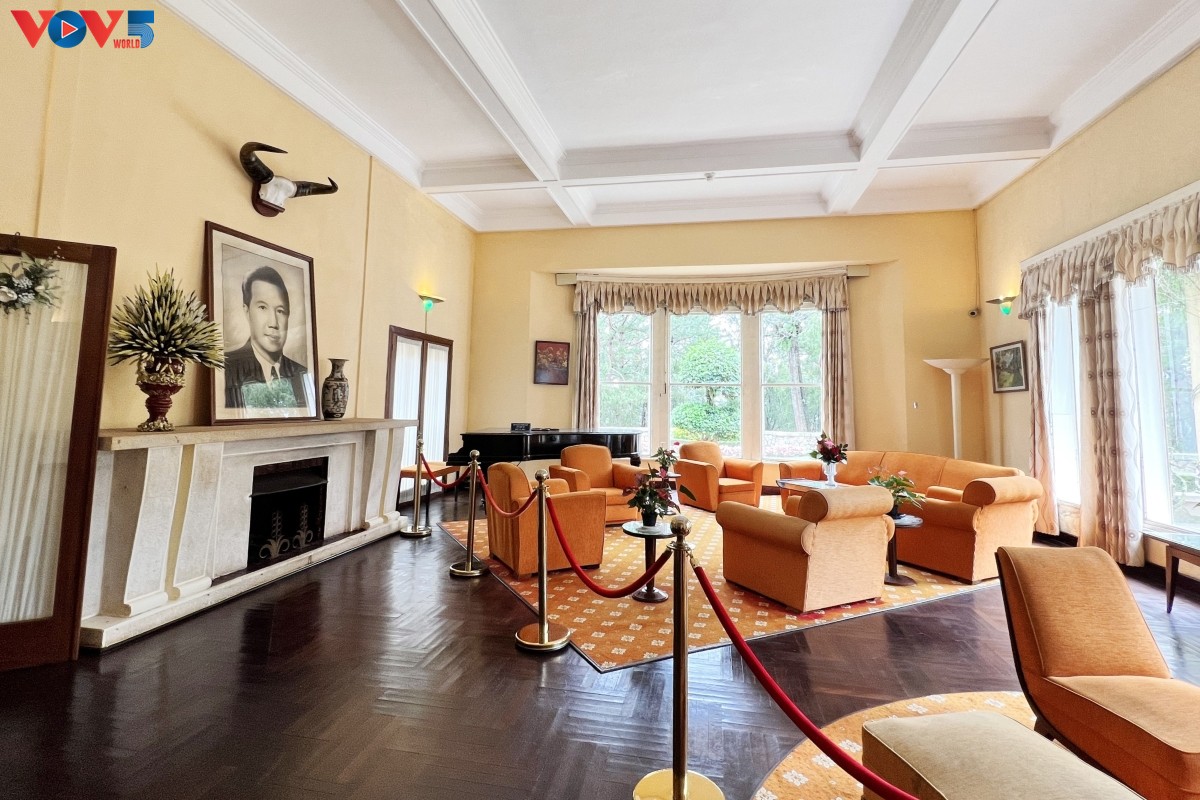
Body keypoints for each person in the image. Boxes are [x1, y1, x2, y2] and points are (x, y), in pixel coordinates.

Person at [223, 265, 310, 409]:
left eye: (280, 311)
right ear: (247, 311)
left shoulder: (302, 373)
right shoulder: (225, 370)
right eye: (262, 307)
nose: (273, 323)